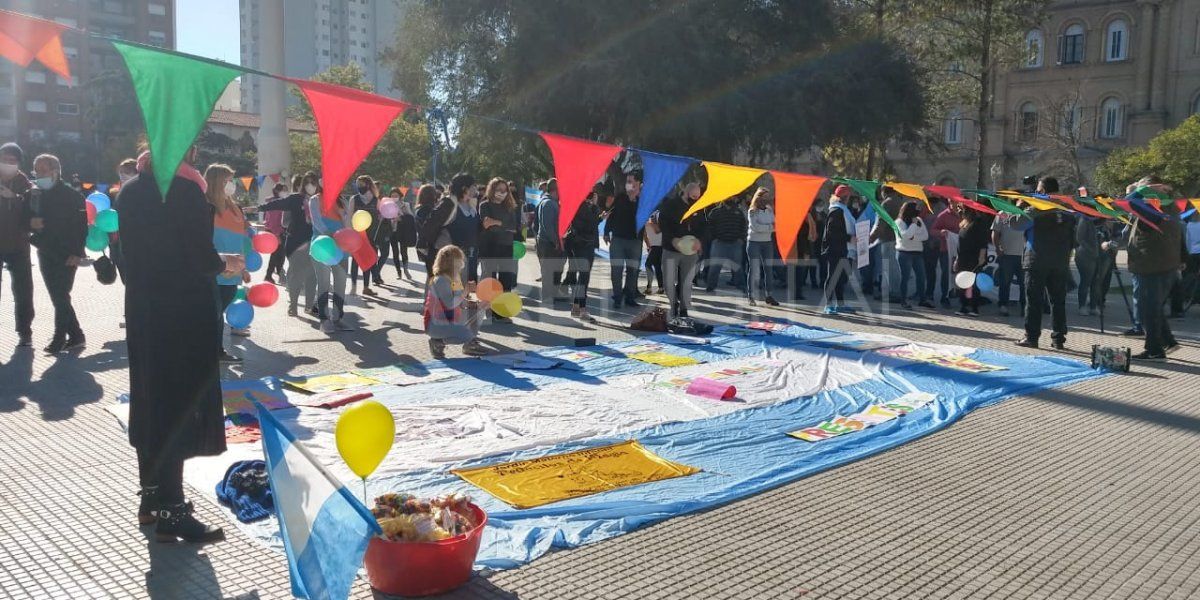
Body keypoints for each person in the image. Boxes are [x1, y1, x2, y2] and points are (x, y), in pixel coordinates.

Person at [121, 146, 233, 543]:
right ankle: (173, 511)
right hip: (183, 316)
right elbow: (200, 257)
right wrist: (226, 264)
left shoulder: (130, 190)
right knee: (178, 409)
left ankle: (150, 499)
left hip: (144, 312)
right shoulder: (184, 192)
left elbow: (127, 257)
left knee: (150, 399)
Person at [28, 154, 86, 353]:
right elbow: (24, 216)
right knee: (57, 296)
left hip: (68, 253)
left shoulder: (73, 196)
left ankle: (59, 338)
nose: (39, 174)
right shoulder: (35, 194)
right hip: (44, 250)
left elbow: (81, 228)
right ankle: (77, 335)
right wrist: (30, 223)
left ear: (55, 171)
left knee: (61, 295)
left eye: (43, 170)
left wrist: (78, 253)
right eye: (36, 170)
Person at [1124, 181, 1182, 360]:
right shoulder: (1166, 207)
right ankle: (1167, 341)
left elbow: (1127, 201)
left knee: (1145, 310)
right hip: (1158, 266)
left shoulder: (1155, 210)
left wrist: (1141, 189)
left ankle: (1154, 349)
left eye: (1143, 188)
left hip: (1152, 267)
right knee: (1153, 308)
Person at [1017, 177, 1075, 350]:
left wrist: (1020, 207)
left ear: (1042, 191)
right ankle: (1058, 339)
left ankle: (1031, 337)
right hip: (1060, 262)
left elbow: (1017, 224)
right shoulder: (1067, 208)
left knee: (1034, 300)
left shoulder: (1037, 207)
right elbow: (1073, 237)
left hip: (1036, 260)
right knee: (1058, 301)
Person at [206, 164, 251, 362]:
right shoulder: (206, 206)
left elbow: (240, 239)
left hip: (232, 273)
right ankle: (215, 352)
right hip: (214, 269)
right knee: (213, 315)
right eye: (227, 180)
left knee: (218, 313)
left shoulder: (235, 208)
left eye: (232, 180)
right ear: (216, 182)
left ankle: (215, 351)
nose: (231, 184)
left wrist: (243, 268)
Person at [259, 174, 316, 318]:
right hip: (295, 242)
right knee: (296, 275)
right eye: (307, 183)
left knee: (312, 276)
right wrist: (259, 208)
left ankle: (309, 305)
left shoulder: (319, 200)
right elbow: (277, 203)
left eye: (313, 183)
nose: (311, 186)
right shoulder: (296, 198)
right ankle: (293, 306)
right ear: (303, 184)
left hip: (314, 242)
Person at [424, 245, 488, 359]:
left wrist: (477, 304)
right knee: (466, 335)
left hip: (450, 319)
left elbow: (460, 302)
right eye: (460, 260)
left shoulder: (454, 278)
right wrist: (466, 290)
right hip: (435, 324)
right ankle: (438, 342)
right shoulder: (440, 280)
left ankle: (469, 345)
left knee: (479, 310)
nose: (462, 263)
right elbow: (449, 304)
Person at [308, 183, 354, 333]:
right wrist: (332, 236)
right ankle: (324, 319)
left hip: (341, 247)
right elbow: (317, 222)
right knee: (324, 282)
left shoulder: (343, 201)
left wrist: (342, 214)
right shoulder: (315, 200)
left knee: (341, 282)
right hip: (323, 246)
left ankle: (338, 318)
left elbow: (348, 225)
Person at [0, 142, 33, 347]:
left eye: (12, 161)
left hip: (19, 243)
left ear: (19, 163)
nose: (7, 163)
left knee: (22, 289)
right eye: (4, 159)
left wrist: (15, 197)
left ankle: (25, 330)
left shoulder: (25, 183)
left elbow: (34, 208)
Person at [658, 183, 706, 319]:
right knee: (668, 280)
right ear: (686, 193)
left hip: (690, 251)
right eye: (693, 196)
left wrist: (700, 241)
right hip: (671, 248)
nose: (696, 199)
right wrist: (672, 239)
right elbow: (663, 222)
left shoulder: (699, 206)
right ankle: (674, 304)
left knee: (686, 281)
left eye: (698, 197)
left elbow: (704, 226)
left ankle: (684, 309)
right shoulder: (670, 205)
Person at [478, 177, 523, 321]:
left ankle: (501, 311)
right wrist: (502, 225)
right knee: (489, 279)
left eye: (504, 190)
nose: (502, 193)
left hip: (506, 246)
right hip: (489, 246)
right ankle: (488, 309)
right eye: (499, 189)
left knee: (506, 279)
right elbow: (485, 223)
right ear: (492, 189)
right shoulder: (485, 205)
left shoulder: (510, 206)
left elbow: (514, 228)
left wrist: (496, 223)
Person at [563, 185, 603, 323]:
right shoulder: (581, 206)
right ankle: (582, 309)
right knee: (584, 277)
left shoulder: (584, 206)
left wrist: (598, 216)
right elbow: (587, 225)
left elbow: (589, 224)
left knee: (583, 276)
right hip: (581, 244)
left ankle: (576, 307)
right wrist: (597, 212)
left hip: (584, 244)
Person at [604, 171, 644, 308]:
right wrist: (606, 231)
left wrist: (634, 199)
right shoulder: (620, 198)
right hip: (618, 240)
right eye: (627, 181)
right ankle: (617, 297)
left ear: (638, 183)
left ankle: (630, 297)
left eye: (631, 181)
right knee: (616, 270)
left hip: (635, 241)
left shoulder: (644, 200)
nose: (628, 184)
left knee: (633, 270)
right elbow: (611, 215)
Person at [350, 176, 390, 296]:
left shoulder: (375, 200)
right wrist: (349, 232)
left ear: (368, 185)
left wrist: (382, 217)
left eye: (361, 184)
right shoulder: (354, 199)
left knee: (368, 261)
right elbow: (349, 217)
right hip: (357, 235)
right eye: (357, 184)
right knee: (355, 261)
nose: (358, 187)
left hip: (371, 235)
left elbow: (382, 214)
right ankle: (353, 287)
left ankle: (366, 287)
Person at [821, 185, 856, 314]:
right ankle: (828, 304)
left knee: (841, 277)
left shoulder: (843, 209)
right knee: (833, 276)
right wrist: (848, 238)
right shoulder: (836, 210)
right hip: (835, 248)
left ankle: (840, 304)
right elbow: (832, 232)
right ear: (845, 197)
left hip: (844, 248)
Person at [704, 196, 748, 294]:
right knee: (715, 266)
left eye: (732, 197)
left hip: (735, 243)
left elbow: (743, 226)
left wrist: (741, 239)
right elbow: (709, 226)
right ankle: (711, 286)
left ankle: (741, 286)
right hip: (719, 243)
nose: (730, 198)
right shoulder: (715, 212)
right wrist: (714, 238)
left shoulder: (738, 212)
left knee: (738, 267)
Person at [443, 173, 481, 286]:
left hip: (472, 255)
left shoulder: (472, 206)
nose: (476, 188)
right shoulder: (451, 205)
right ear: (464, 188)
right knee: (456, 288)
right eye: (473, 185)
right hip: (455, 256)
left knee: (466, 286)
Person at [991, 208, 1028, 316]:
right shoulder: (1003, 213)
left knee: (1025, 284)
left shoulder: (1028, 214)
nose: (1022, 202)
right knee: (1005, 282)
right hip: (1007, 255)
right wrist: (997, 248)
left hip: (1024, 255)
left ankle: (1025, 307)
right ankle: (1003, 305)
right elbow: (995, 233)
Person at [895, 200, 931, 309]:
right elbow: (905, 236)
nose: (918, 212)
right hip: (904, 253)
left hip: (917, 253)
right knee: (905, 278)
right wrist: (914, 226)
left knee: (921, 277)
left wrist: (913, 237)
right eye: (916, 209)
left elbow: (925, 236)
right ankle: (903, 301)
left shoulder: (919, 220)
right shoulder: (899, 222)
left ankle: (922, 299)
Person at [953, 207, 989, 317]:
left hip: (974, 258)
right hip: (963, 258)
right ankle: (963, 306)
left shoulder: (978, 223)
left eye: (962, 211)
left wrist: (982, 257)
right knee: (962, 283)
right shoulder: (964, 224)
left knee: (973, 284)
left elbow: (983, 242)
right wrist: (957, 259)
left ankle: (974, 308)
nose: (960, 212)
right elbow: (960, 244)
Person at [745, 187, 778, 306]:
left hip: (767, 242)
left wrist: (769, 227)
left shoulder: (769, 210)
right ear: (758, 197)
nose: (766, 199)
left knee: (768, 269)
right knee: (754, 269)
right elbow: (756, 227)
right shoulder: (752, 211)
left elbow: (776, 224)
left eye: (767, 197)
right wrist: (770, 227)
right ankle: (751, 296)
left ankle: (769, 295)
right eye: (764, 197)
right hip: (754, 242)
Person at [536, 178, 565, 303]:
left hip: (550, 242)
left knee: (556, 268)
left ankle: (554, 292)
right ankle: (548, 296)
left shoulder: (552, 202)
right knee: (548, 270)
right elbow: (547, 226)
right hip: (548, 243)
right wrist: (556, 242)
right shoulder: (548, 203)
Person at [928, 197, 959, 308]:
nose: (953, 205)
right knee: (946, 273)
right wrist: (941, 232)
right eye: (951, 202)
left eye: (955, 202)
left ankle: (960, 295)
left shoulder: (964, 214)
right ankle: (944, 297)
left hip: (961, 250)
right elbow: (932, 230)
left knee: (960, 273)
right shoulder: (943, 215)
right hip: (946, 250)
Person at [1171, 211, 1200, 317]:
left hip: (1192, 253)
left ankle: (1188, 296)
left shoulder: (1189, 225)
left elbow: (1187, 240)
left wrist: (1188, 253)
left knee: (1190, 277)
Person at [1074, 213, 1102, 316]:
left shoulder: (1099, 220)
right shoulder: (1084, 219)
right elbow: (1079, 238)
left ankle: (1093, 306)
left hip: (1097, 255)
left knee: (1096, 281)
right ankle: (1082, 306)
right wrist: (1090, 249)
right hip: (1084, 255)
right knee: (1086, 281)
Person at [413, 183, 443, 277]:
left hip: (423, 244)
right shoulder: (430, 209)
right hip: (430, 245)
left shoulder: (419, 209)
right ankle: (431, 291)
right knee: (434, 274)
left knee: (431, 274)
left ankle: (430, 291)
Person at [260, 182, 288, 285]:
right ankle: (270, 275)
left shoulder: (280, 202)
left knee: (280, 254)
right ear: (277, 191)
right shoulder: (275, 203)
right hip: (276, 231)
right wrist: (276, 234)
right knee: (277, 254)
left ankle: (278, 274)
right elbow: (272, 220)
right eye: (284, 190)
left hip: (280, 231)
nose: (286, 192)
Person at [644, 212, 664, 295]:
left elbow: (658, 230)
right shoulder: (644, 218)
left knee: (648, 264)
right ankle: (661, 287)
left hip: (659, 245)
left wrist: (651, 222)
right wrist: (648, 245)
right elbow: (644, 235)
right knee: (657, 266)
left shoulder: (656, 214)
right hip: (653, 245)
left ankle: (649, 287)